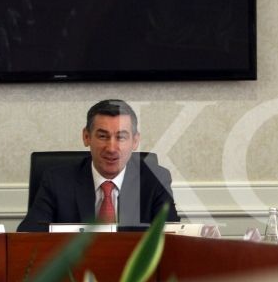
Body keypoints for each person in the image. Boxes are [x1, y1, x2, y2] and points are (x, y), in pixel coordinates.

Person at [18, 99, 179, 231]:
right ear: (86, 137)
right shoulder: (57, 180)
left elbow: (173, 239)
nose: (111, 148)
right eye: (103, 136)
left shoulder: (155, 180)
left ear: (135, 141)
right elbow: (28, 236)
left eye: (121, 137)